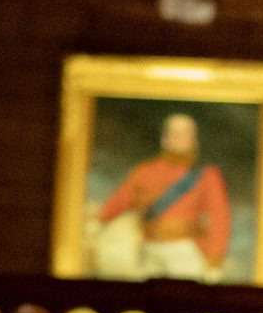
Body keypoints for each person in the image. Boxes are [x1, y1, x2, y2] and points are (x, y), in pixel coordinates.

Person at [89, 113, 232, 281]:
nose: (180, 138)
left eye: (185, 134)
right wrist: (99, 220)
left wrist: (215, 259)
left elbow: (219, 218)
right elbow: (121, 200)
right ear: (165, 138)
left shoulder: (207, 175)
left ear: (194, 140)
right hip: (150, 247)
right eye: (175, 134)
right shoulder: (145, 171)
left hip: (185, 248)